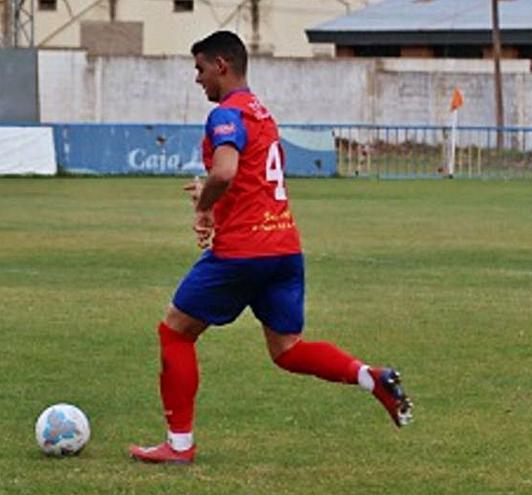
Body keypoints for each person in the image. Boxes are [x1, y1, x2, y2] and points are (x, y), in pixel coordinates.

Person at [129, 31, 412, 465]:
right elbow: (249, 180)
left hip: (244, 251)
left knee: (175, 331)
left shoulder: (225, 114)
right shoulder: (262, 112)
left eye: (200, 69)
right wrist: (212, 196)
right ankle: (371, 378)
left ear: (222, 66)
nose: (197, 79)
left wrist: (204, 209)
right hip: (284, 248)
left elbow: (225, 172)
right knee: (287, 350)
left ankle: (179, 445)